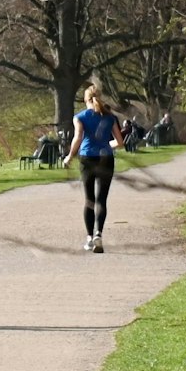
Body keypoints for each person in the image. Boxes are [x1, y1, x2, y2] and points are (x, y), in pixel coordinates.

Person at [65, 85, 122, 253]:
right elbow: (119, 142)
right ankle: (99, 234)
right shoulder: (110, 117)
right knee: (101, 199)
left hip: (87, 158)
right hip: (106, 158)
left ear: (85, 99)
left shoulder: (80, 117)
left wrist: (69, 156)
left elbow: (78, 138)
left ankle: (89, 238)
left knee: (89, 199)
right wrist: (106, 145)